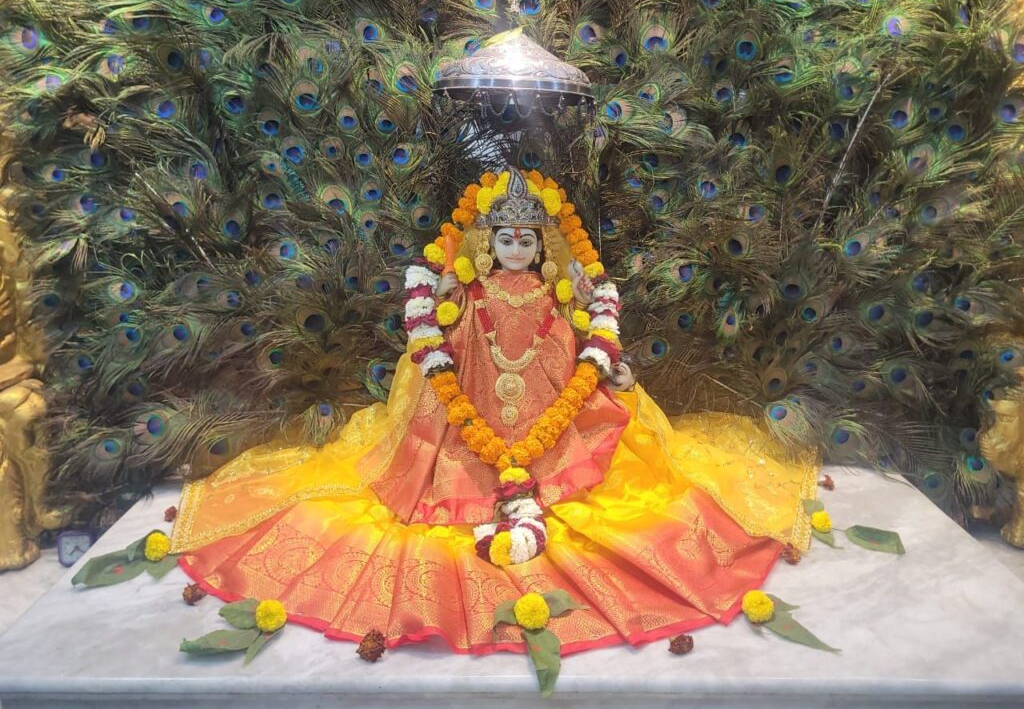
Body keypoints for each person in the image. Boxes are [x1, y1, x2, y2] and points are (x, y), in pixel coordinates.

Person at [171, 168, 817, 655]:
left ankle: (541, 482)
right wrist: (442, 324)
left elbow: (584, 335)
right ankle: (488, 486)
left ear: (540, 246)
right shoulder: (471, 293)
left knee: (583, 427)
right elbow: (437, 340)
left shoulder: (555, 292)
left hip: (551, 407)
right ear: (488, 243)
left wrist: (602, 359)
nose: (514, 250)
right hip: (471, 407)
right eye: (504, 239)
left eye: (524, 241)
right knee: (452, 430)